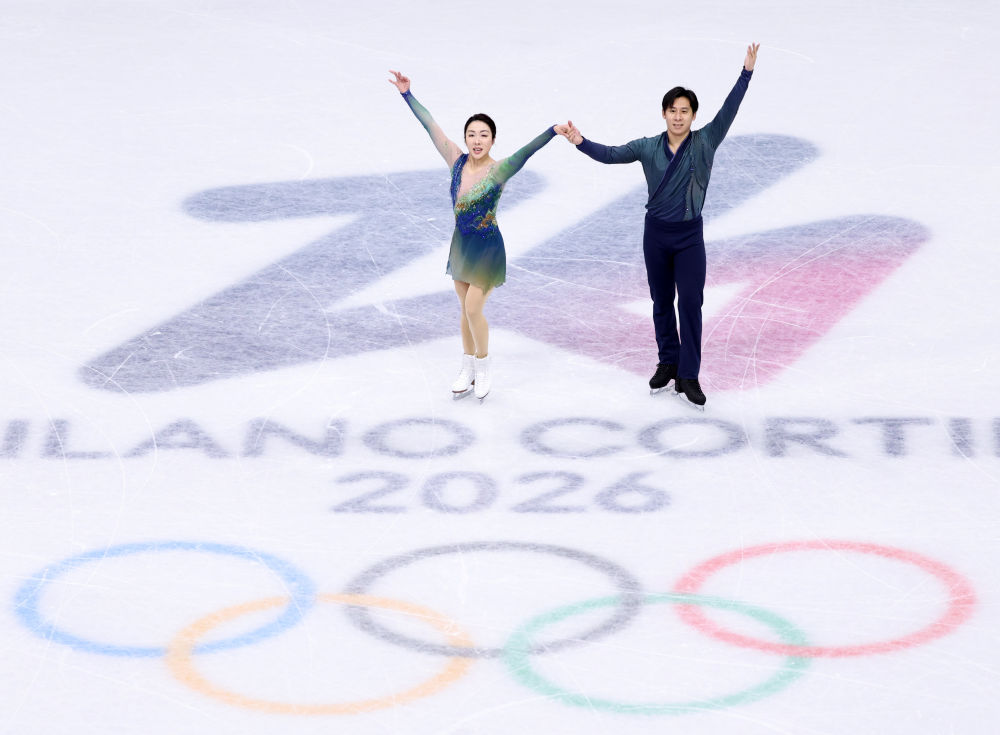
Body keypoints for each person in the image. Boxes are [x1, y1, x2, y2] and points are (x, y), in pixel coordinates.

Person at [561, 44, 760, 409]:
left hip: (689, 237)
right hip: (656, 235)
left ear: (694, 115)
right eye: (673, 110)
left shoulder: (706, 141)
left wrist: (745, 73)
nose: (678, 117)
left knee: (691, 302)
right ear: (664, 113)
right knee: (661, 300)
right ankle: (668, 361)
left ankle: (689, 374)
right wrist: (580, 142)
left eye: (685, 111)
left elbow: (729, 110)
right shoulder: (648, 147)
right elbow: (610, 154)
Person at [389, 70, 568, 401]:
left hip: (487, 248)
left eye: (484, 134)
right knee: (464, 309)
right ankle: (467, 366)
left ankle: (483, 367)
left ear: (492, 140)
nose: (477, 140)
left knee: (473, 309)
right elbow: (431, 126)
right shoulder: (455, 161)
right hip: (461, 246)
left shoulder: (499, 170)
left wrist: (552, 131)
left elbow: (526, 152)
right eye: (471, 134)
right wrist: (407, 94)